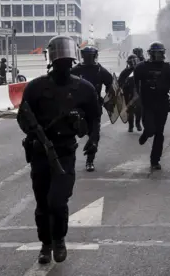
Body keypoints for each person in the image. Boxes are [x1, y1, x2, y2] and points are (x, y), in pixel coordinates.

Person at [17, 35, 100, 265]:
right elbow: (22, 117)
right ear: (52, 61)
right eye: (59, 60)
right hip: (39, 153)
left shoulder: (84, 89)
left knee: (58, 202)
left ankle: (59, 239)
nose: (63, 64)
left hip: (64, 152)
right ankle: (45, 244)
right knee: (43, 204)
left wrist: (93, 140)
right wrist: (35, 133)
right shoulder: (35, 87)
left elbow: (94, 118)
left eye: (67, 61)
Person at [133, 41, 170, 170]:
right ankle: (146, 134)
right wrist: (136, 98)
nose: (159, 56)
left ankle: (155, 160)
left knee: (159, 133)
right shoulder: (141, 67)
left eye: (161, 53)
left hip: (162, 103)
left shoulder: (168, 68)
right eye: (156, 53)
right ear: (151, 54)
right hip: (147, 103)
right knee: (150, 129)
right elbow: (135, 84)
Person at [70, 45, 114, 172]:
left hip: (94, 107)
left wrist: (106, 98)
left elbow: (111, 86)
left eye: (91, 56)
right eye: (86, 56)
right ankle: (67, 159)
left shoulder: (101, 71)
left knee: (94, 136)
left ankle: (90, 161)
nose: (88, 58)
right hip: (78, 109)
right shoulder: (76, 70)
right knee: (70, 134)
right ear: (83, 56)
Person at [118, 55, 143, 132]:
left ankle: (138, 123)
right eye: (130, 62)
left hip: (138, 93)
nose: (132, 64)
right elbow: (119, 82)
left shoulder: (141, 70)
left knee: (139, 110)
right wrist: (123, 85)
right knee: (129, 110)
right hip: (128, 93)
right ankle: (131, 126)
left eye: (134, 62)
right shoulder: (125, 72)